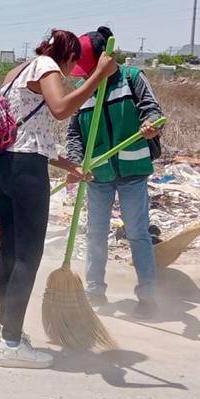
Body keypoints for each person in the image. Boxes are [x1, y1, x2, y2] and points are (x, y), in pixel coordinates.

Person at [0, 29, 117, 369]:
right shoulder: (47, 68)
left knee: (10, 252)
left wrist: (65, 164)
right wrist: (98, 76)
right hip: (25, 172)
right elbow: (60, 110)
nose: (74, 71)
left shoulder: (15, 72)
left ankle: (6, 332)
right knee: (28, 256)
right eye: (74, 64)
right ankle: (12, 343)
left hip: (1, 166)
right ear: (69, 56)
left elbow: (29, 133)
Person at [66, 26, 164, 318]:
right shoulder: (84, 88)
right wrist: (75, 161)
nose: (82, 72)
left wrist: (151, 125)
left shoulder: (131, 78)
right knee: (95, 234)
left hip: (132, 170)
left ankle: (147, 295)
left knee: (137, 233)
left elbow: (152, 110)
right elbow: (74, 134)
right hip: (97, 174)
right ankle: (94, 292)